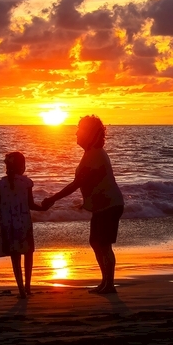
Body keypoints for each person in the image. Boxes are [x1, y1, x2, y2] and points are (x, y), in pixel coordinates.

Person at [42, 115, 124, 294]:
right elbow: (90, 183)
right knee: (96, 242)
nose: (76, 133)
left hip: (110, 205)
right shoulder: (90, 153)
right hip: (102, 205)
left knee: (103, 244)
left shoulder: (95, 154)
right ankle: (105, 282)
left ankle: (109, 284)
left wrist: (52, 199)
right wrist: (87, 201)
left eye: (80, 129)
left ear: (89, 133)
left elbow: (76, 183)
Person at [0, 151, 43, 298]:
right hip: (24, 222)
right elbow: (31, 204)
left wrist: (7, 217)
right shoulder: (26, 183)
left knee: (15, 256)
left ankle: (21, 290)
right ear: (21, 166)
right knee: (28, 253)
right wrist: (44, 207)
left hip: (7, 223)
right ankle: (28, 287)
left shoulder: (0, 184)